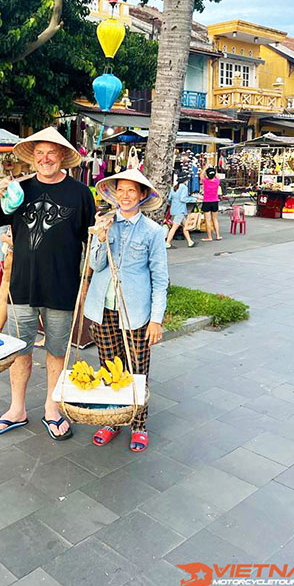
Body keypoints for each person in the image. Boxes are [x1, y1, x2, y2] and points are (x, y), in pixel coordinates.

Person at [0, 126, 95, 439]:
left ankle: (51, 408)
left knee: (57, 351)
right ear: (33, 158)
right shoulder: (19, 189)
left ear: (62, 157)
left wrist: (86, 282)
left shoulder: (81, 194)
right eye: (40, 153)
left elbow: (91, 242)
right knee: (20, 349)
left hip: (62, 286)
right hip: (22, 287)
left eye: (52, 153)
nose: (46, 159)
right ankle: (16, 409)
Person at [84, 168, 169, 452]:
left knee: (137, 370)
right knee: (109, 367)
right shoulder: (106, 223)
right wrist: (101, 236)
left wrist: (156, 320)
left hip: (135, 312)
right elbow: (96, 265)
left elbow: (160, 278)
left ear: (142, 195)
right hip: (103, 308)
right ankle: (112, 420)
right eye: (120, 189)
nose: (125, 196)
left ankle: (138, 424)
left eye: (132, 190)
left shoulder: (153, 232)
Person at [166, 175, 196, 249]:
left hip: (174, 210)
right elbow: (183, 199)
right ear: (185, 181)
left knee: (186, 226)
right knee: (174, 227)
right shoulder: (184, 188)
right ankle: (167, 243)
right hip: (180, 210)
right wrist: (193, 199)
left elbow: (169, 198)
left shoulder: (173, 188)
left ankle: (190, 241)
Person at [201, 166, 222, 241]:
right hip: (215, 201)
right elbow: (217, 175)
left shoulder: (205, 181)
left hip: (206, 201)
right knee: (215, 219)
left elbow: (201, 175)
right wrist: (214, 170)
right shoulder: (217, 181)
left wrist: (205, 168)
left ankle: (209, 237)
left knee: (208, 220)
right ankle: (218, 235)